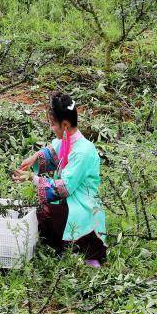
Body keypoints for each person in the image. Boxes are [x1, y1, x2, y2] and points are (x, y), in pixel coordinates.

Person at [13, 93, 107, 267]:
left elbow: (62, 189)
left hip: (83, 209)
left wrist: (33, 178)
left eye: (52, 124)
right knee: (39, 213)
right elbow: (51, 153)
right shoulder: (66, 141)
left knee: (43, 212)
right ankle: (64, 246)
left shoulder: (83, 151)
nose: (51, 128)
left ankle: (77, 248)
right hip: (70, 204)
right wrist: (34, 158)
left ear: (64, 125)